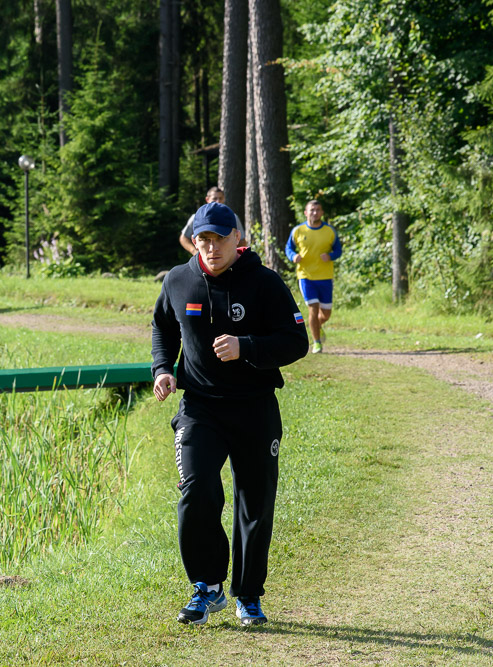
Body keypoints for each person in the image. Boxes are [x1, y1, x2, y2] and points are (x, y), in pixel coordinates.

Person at [152, 202, 309, 627]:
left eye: (219, 238)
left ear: (237, 239)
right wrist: (163, 368)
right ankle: (206, 586)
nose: (211, 247)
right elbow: (163, 328)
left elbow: (297, 341)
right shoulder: (179, 280)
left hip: (254, 408)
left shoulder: (265, 283)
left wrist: (248, 348)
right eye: (203, 239)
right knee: (196, 490)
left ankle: (249, 595)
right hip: (199, 407)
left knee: (253, 502)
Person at [285, 200, 342, 354]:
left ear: (322, 213)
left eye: (318, 210)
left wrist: (330, 256)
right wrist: (293, 256)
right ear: (306, 212)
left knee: (326, 313)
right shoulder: (298, 230)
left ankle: (317, 326)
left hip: (325, 276)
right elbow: (288, 248)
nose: (315, 213)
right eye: (312, 210)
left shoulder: (329, 231)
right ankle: (316, 342)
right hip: (306, 276)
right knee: (313, 308)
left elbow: (338, 250)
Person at [179, 187, 238, 255]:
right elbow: (183, 238)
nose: (218, 201)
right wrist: (194, 252)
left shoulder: (233, 217)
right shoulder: (196, 218)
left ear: (224, 199)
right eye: (215, 198)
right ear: (207, 199)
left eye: (220, 198)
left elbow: (242, 241)